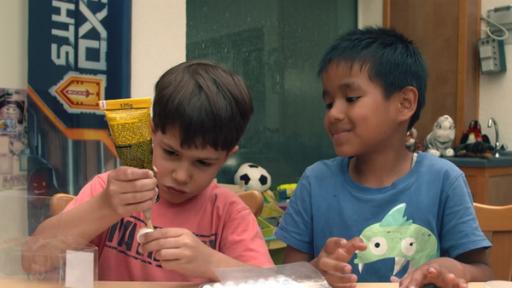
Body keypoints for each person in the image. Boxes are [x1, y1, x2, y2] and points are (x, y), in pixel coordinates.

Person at [275, 27, 492, 287]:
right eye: (329, 103)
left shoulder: (444, 180)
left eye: (351, 98)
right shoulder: (315, 181)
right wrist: (315, 271)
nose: (333, 114)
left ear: (404, 103)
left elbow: (485, 273)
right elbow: (286, 278)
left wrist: (451, 268)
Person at [23, 60, 274, 283]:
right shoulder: (109, 191)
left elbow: (273, 284)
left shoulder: (229, 214)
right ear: (151, 132)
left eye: (202, 163)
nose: (181, 175)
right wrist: (105, 206)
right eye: (171, 153)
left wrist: (211, 263)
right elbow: (33, 261)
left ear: (227, 157)